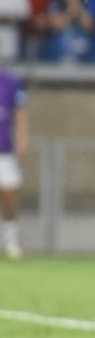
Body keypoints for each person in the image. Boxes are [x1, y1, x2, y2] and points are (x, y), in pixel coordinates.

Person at [0, 68, 27, 259]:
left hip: (4, 150)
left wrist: (22, 143)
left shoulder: (11, 82)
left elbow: (20, 115)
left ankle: (11, 241)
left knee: (9, 195)